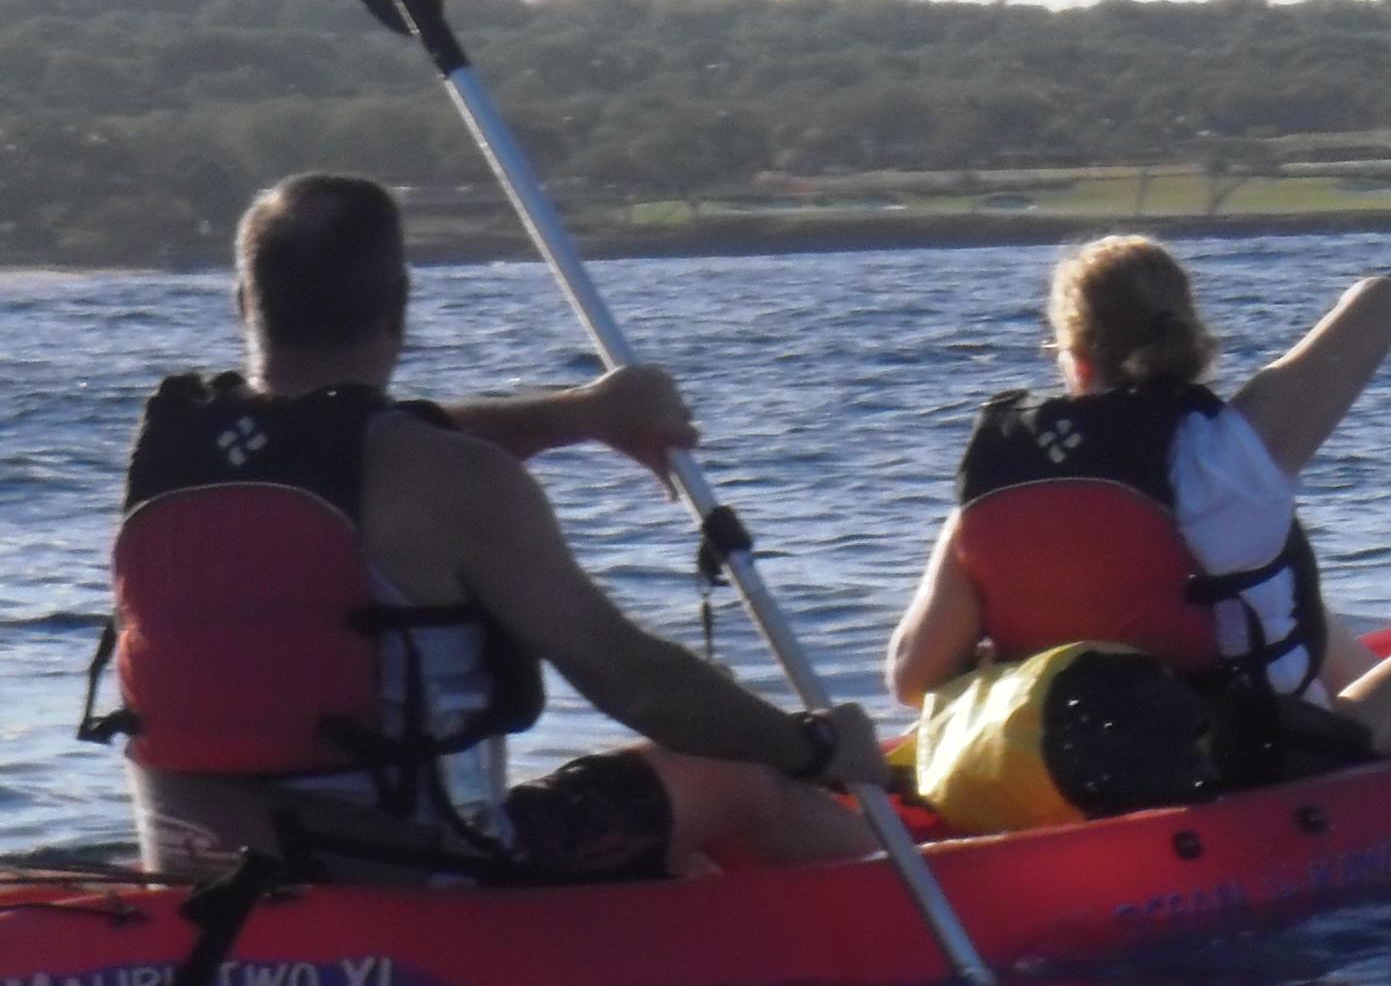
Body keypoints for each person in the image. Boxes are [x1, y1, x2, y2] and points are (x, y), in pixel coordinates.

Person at [91, 173, 888, 882]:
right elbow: (639, 685)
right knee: (731, 776)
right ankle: (910, 892)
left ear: (243, 304)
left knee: (678, 850)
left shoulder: (167, 454)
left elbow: (362, 435)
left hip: (202, 863)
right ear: (399, 305)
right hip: (420, 876)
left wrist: (582, 417)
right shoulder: (453, 480)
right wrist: (812, 747)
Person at [886, 234, 1391, 755]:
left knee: (1293, 609)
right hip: (1260, 762)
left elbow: (913, 679)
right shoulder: (1233, 448)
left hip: (1084, 766)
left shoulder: (987, 496)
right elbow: (1378, 302)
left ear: (1073, 360)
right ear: (1190, 336)